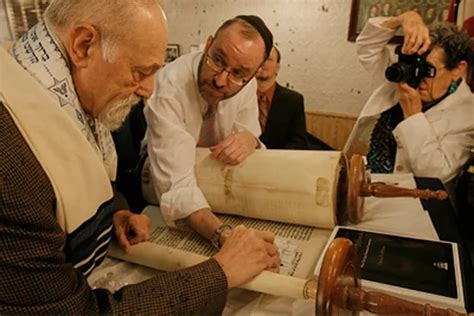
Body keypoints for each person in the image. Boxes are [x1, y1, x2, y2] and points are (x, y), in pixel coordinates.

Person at [0, 1, 279, 314]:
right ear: (83, 45)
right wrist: (222, 273)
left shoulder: (42, 78)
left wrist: (112, 216)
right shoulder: (11, 166)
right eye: (140, 72)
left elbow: (74, 186)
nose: (148, 90)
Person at [143, 15, 278, 249]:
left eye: (238, 74)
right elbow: (177, 186)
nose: (220, 81)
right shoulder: (169, 85)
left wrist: (250, 139)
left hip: (215, 186)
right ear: (208, 44)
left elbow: (248, 137)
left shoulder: (246, 85)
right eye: (217, 60)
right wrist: (223, 236)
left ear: (252, 75)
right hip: (155, 182)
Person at [344, 11, 474, 190]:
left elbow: (437, 175)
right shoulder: (402, 82)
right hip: (368, 185)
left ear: (458, 70)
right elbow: (367, 48)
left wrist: (413, 116)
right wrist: (402, 19)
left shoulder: (468, 114)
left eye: (427, 70)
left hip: (417, 207)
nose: (418, 77)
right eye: (415, 66)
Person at [255, 46, 308, 149]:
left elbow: (299, 142)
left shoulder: (293, 100)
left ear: (277, 67)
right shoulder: (237, 96)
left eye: (269, 59)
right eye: (260, 58)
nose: (263, 63)